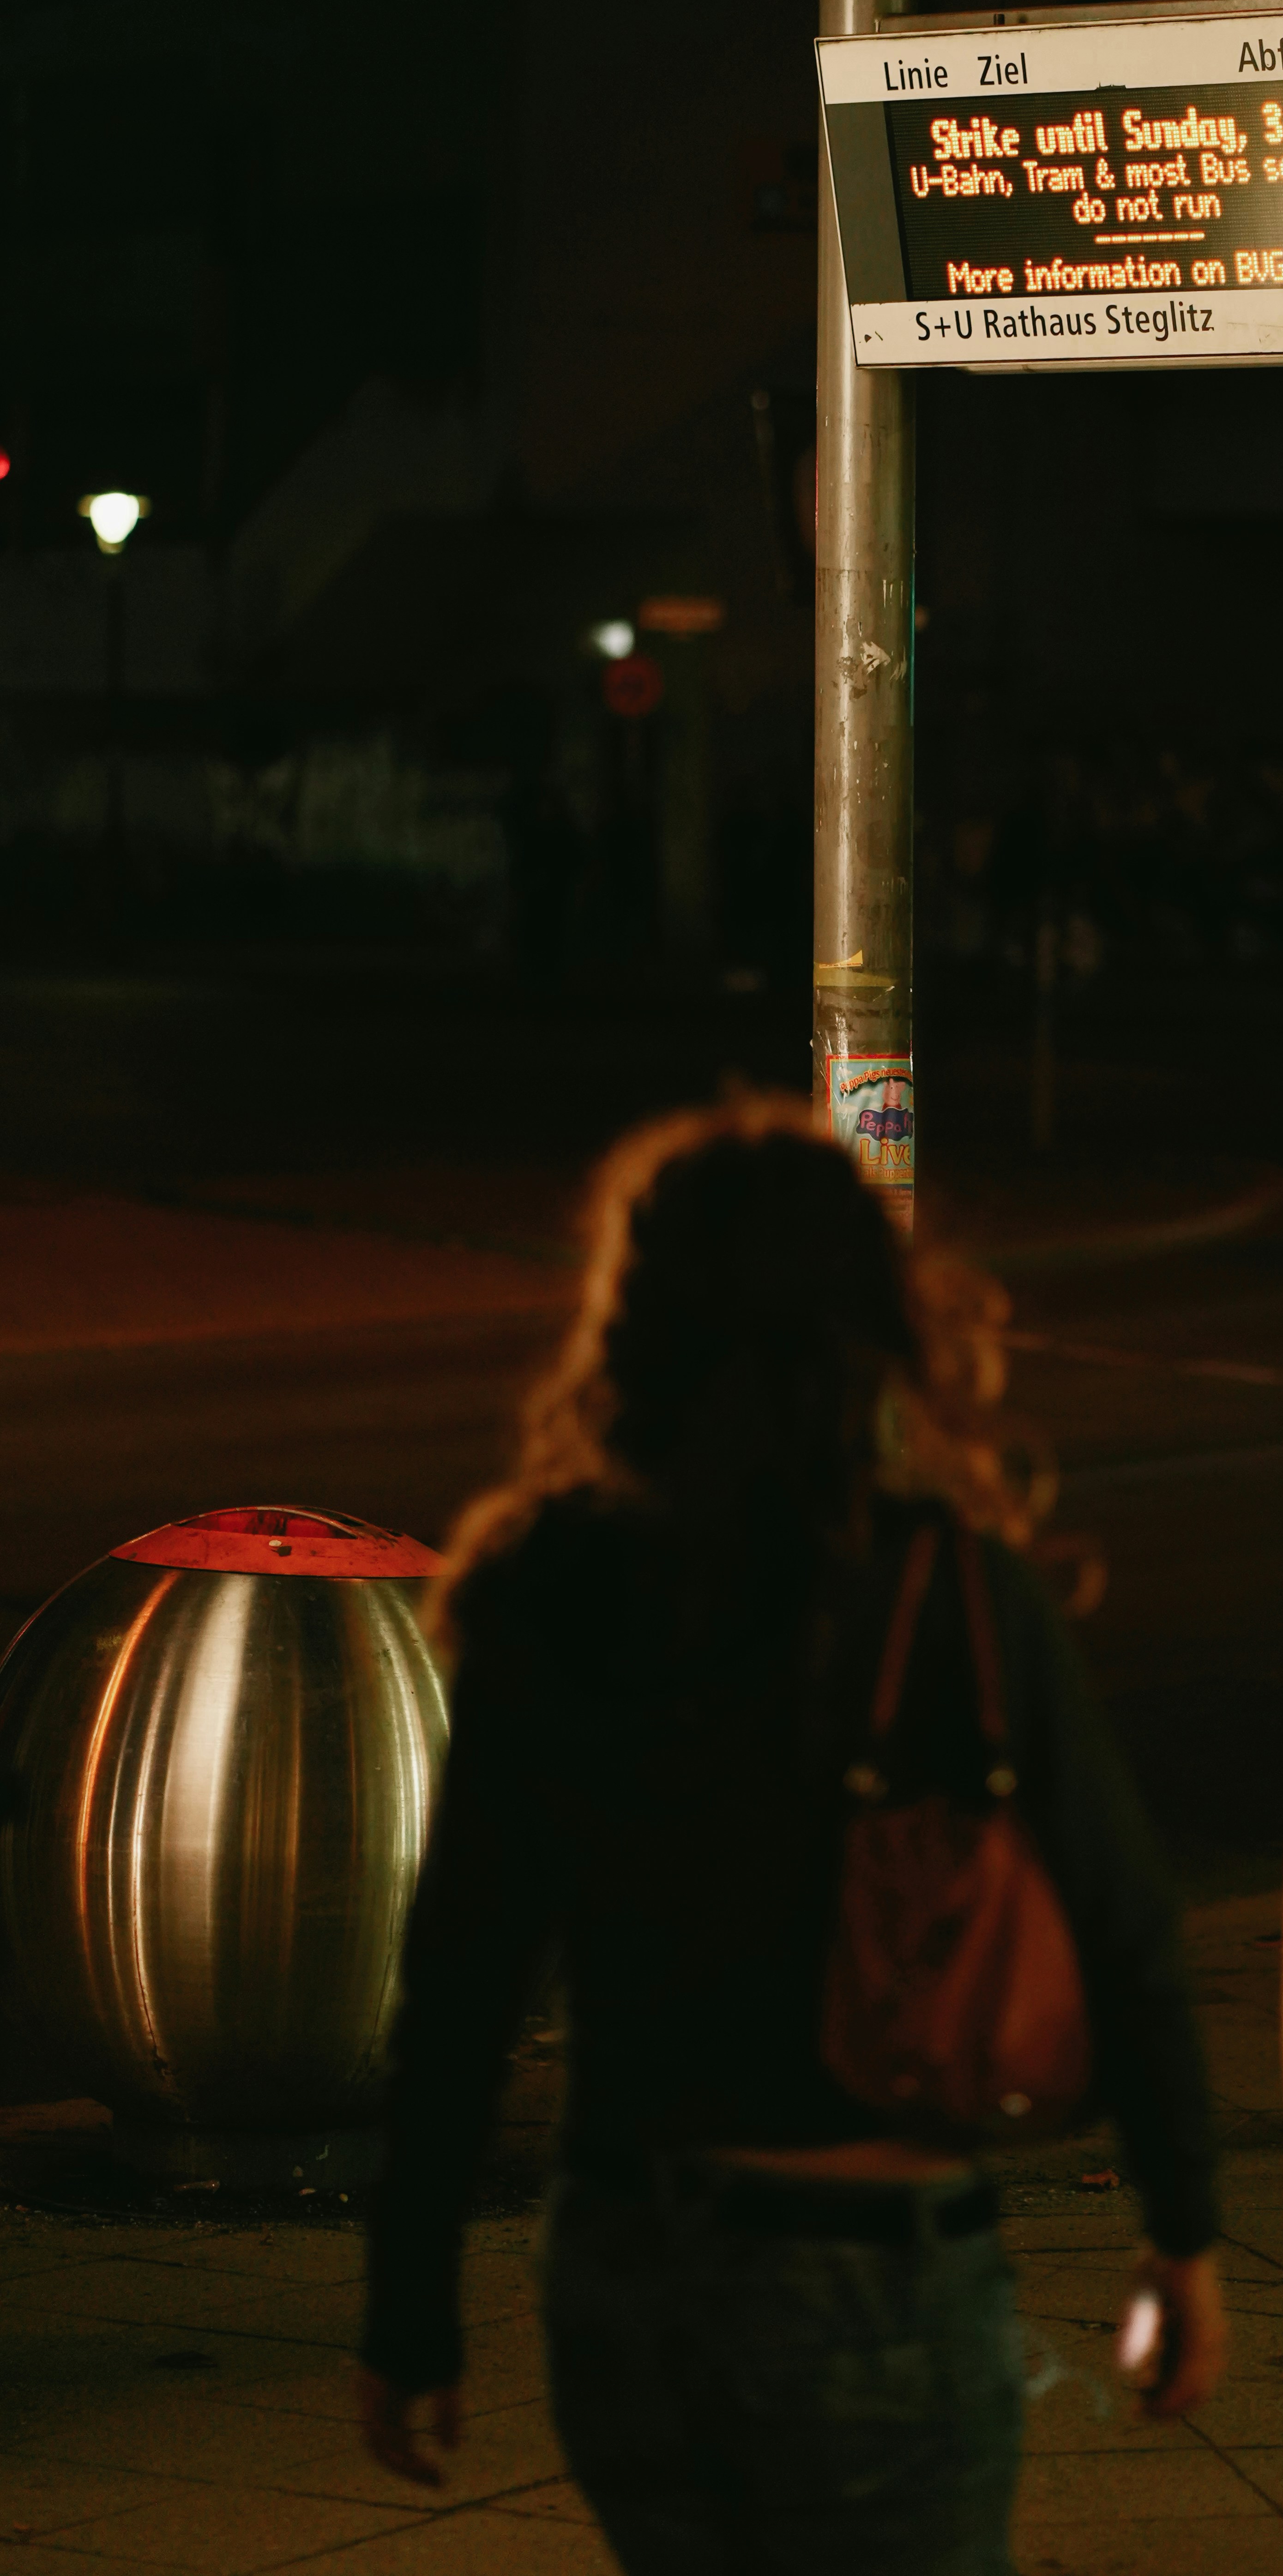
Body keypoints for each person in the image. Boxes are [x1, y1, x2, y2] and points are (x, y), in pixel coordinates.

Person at [358, 1092, 1227, 2573]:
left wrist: (409, 2314)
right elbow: (1127, 1929)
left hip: (633, 2261)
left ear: (633, 1328)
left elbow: (461, 1982)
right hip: (870, 2273)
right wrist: (1184, 2235)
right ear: (875, 1323)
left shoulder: (553, 1585)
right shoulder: (947, 1591)